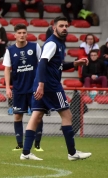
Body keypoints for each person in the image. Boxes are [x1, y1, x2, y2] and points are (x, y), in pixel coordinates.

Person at [20, 16, 92, 161]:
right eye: (61, 26)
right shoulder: (52, 43)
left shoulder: (59, 44)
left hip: (44, 84)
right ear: (54, 28)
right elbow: (42, 64)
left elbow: (57, 65)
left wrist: (74, 64)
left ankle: (26, 153)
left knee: (36, 116)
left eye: (66, 25)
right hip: (51, 86)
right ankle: (72, 153)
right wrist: (41, 84)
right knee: (67, 116)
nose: (64, 28)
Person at [3, 23, 44, 151]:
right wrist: (8, 88)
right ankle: (19, 144)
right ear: (14, 35)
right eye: (19, 33)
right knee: (17, 116)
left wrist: (41, 83)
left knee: (37, 115)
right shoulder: (10, 50)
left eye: (24, 33)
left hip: (34, 88)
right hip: (19, 89)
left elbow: (42, 64)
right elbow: (7, 69)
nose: (22, 35)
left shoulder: (35, 46)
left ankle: (37, 145)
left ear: (27, 34)